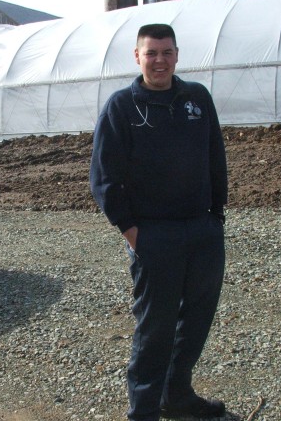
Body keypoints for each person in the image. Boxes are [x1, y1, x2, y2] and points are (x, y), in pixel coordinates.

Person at [90, 24, 228, 421]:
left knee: (196, 320)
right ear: (137, 57)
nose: (160, 61)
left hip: (202, 230)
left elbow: (214, 157)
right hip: (154, 235)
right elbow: (104, 177)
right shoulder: (122, 107)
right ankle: (144, 412)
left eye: (167, 52)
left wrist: (216, 215)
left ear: (177, 55)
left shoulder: (196, 99)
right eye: (151, 53)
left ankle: (177, 395)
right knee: (155, 329)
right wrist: (132, 231)